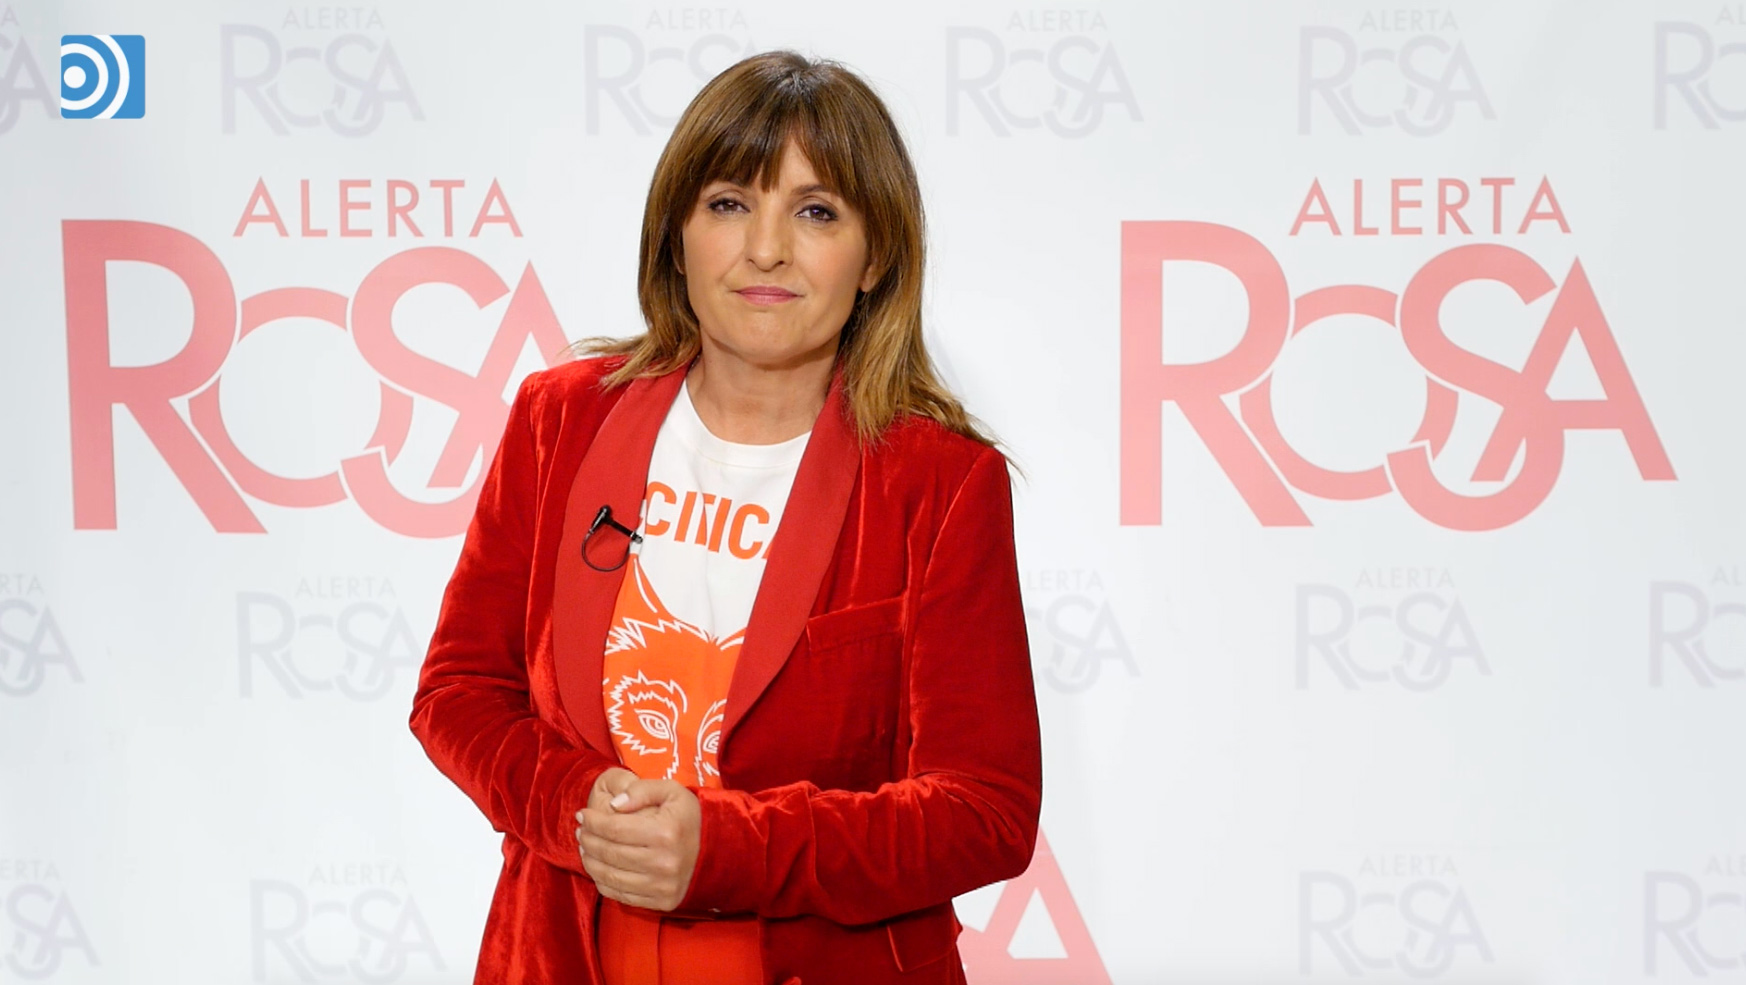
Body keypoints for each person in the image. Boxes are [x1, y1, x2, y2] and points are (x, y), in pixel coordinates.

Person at [409, 50, 1041, 985]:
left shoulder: (942, 482)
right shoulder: (560, 420)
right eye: (729, 203)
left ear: (875, 258)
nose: (766, 249)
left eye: (816, 212)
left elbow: (985, 810)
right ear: (676, 237)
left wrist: (726, 845)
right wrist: (577, 806)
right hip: (565, 954)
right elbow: (459, 689)